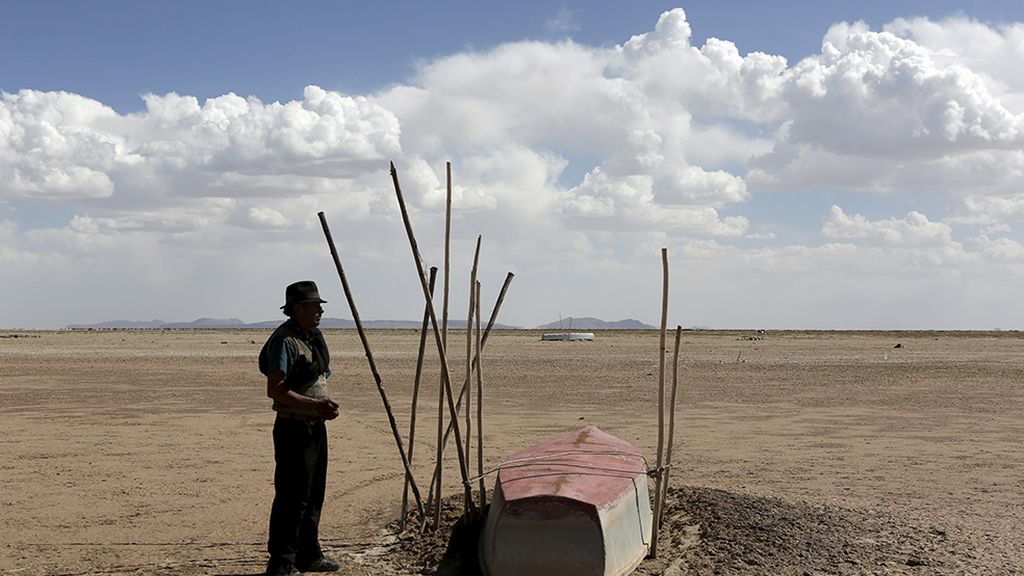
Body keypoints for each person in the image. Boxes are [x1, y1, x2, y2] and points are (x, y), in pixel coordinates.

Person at [259, 280, 341, 576]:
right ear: (296, 309)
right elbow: (276, 391)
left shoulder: (312, 338)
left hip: (314, 427)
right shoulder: (285, 341)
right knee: (292, 496)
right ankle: (282, 563)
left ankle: (309, 555)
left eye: (319, 306)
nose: (319, 310)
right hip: (293, 428)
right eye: (313, 306)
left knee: (313, 493)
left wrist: (320, 409)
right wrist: (314, 405)